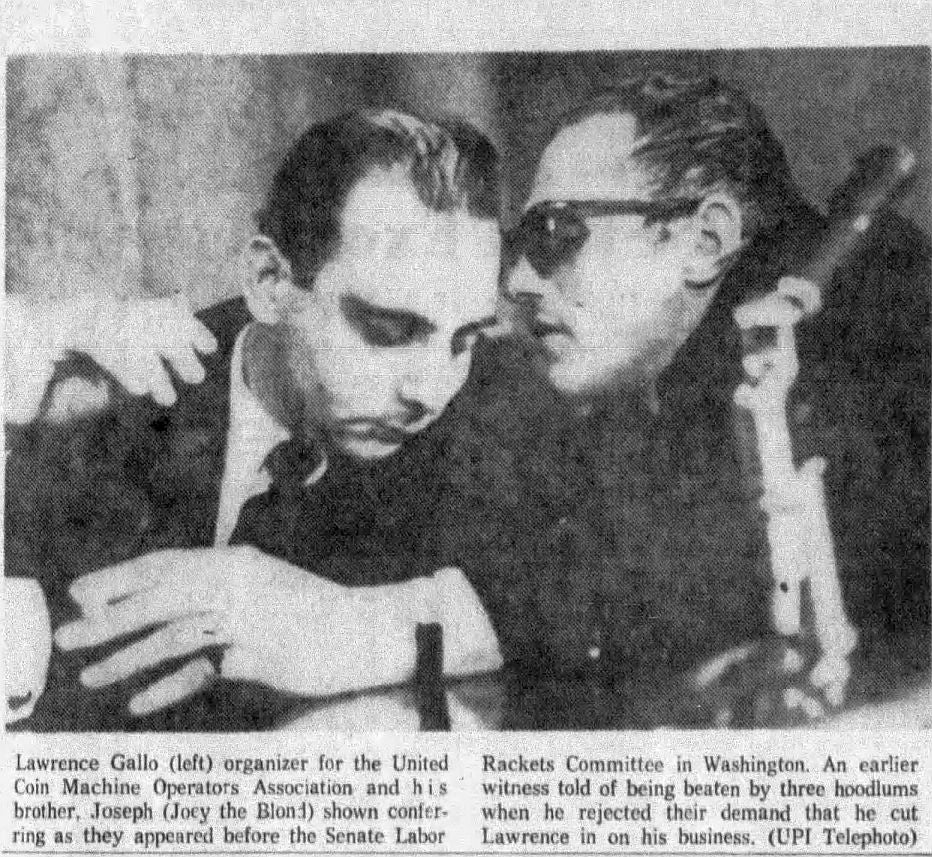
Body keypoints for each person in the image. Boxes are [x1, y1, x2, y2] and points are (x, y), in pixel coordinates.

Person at [438, 75, 930, 727]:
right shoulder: (654, 382)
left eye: (556, 233)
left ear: (705, 239)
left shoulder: (868, 328)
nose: (522, 281)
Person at [5, 108, 505, 731]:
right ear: (269, 281)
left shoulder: (492, 413)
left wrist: (349, 630)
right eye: (388, 331)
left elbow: (604, 599)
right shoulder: (109, 399)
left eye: (465, 340)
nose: (430, 390)